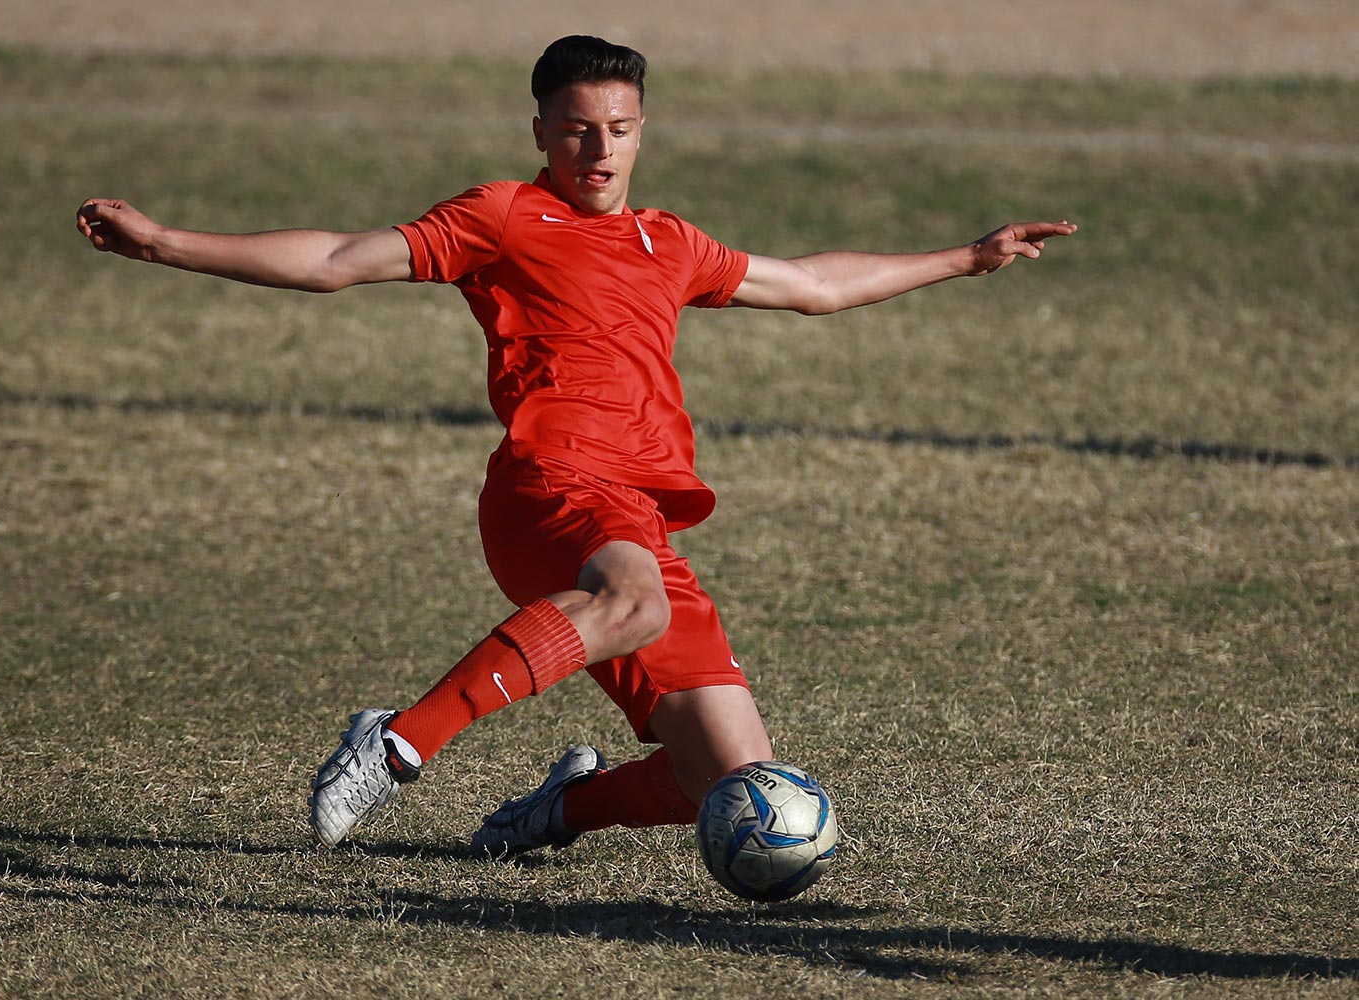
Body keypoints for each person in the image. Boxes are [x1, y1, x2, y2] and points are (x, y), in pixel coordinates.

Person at [76, 34, 1075, 859]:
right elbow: (340, 260)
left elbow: (813, 284)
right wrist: (166, 242)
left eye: (621, 130)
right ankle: (395, 747)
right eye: (578, 129)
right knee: (631, 601)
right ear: (541, 132)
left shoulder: (670, 243)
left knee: (728, 781)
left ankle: (554, 810)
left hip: (637, 515)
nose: (600, 149)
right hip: (551, 485)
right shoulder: (504, 216)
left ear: (643, 132)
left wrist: (965, 258)